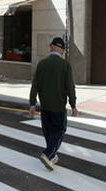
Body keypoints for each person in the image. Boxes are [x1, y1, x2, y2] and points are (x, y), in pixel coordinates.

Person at [29, 37, 78, 171]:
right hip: (58, 107)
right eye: (63, 49)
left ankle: (51, 156)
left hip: (44, 107)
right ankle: (47, 154)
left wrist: (32, 104)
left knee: (49, 133)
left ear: (51, 47)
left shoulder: (42, 64)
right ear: (60, 48)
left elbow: (35, 86)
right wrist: (73, 105)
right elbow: (70, 87)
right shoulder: (65, 65)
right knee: (59, 130)